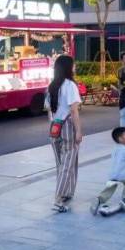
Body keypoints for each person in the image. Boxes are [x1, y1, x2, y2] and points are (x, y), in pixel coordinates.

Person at [45, 55, 83, 213]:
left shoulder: (52, 86)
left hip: (54, 127)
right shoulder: (70, 85)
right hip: (67, 126)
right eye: (73, 65)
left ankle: (67, 192)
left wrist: (54, 122)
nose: (74, 67)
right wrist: (78, 131)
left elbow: (48, 109)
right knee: (68, 164)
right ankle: (58, 198)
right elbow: (74, 111)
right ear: (68, 67)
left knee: (61, 164)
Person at [90, 126, 125, 216]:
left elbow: (121, 156)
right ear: (120, 139)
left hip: (114, 174)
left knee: (110, 188)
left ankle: (99, 199)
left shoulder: (115, 149)